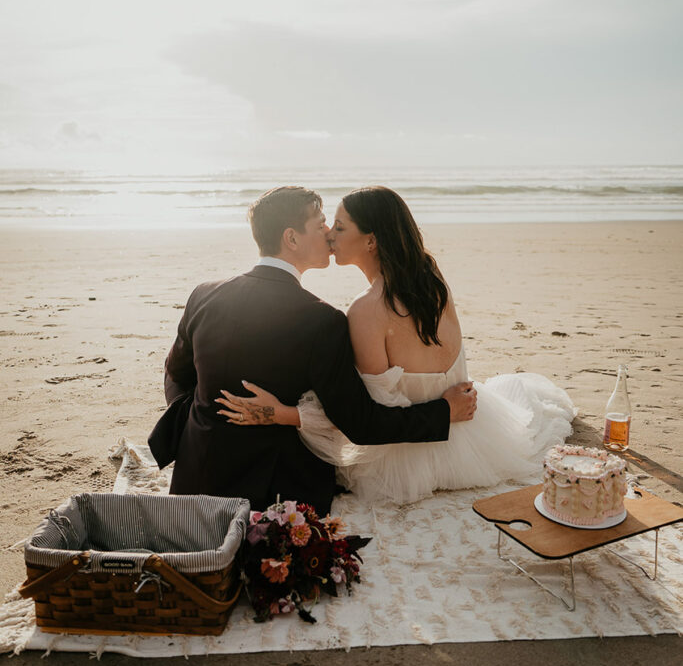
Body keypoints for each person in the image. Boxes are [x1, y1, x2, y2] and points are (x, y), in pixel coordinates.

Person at [217, 187, 576, 504]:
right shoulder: (431, 280)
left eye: (339, 227)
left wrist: (281, 413)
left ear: (370, 241)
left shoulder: (365, 310)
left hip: (405, 461)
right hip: (471, 439)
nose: (329, 234)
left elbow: (365, 414)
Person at [148, 186, 478, 516]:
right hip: (272, 497)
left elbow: (175, 374)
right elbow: (361, 424)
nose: (328, 232)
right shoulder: (322, 321)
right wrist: (442, 412)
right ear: (291, 238)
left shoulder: (204, 294)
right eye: (320, 223)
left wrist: (198, 422)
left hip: (194, 483)